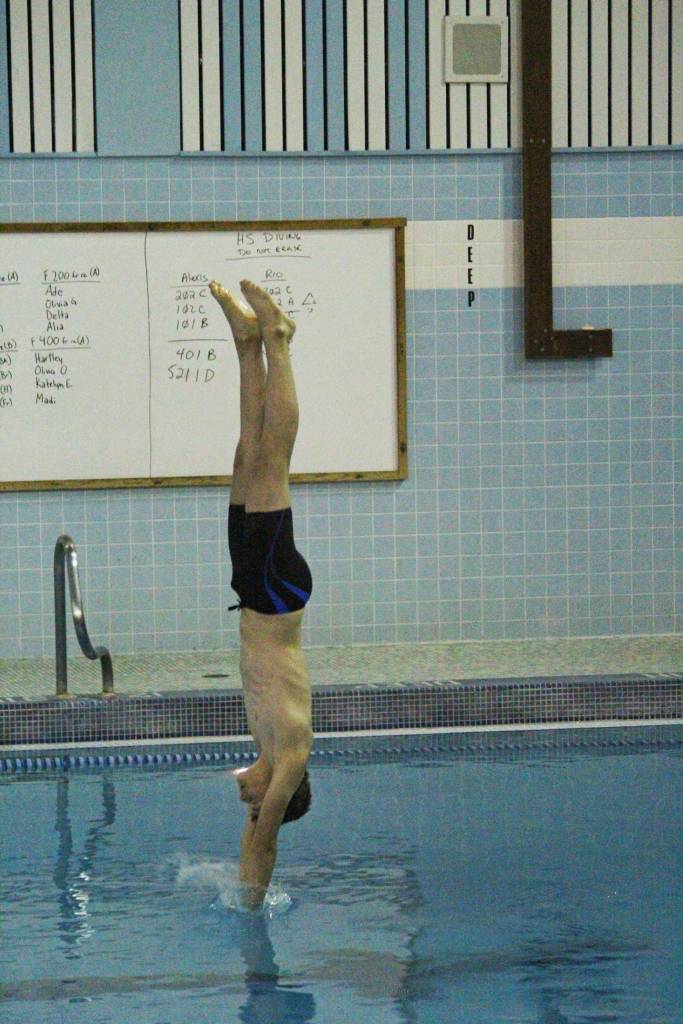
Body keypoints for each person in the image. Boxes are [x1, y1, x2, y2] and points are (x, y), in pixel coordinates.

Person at [209, 278, 313, 910]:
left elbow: (253, 832)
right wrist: (252, 907)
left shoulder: (265, 747)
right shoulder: (291, 753)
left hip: (252, 591)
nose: (243, 798)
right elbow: (265, 841)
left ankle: (247, 344)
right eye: (253, 802)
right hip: (277, 592)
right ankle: (279, 339)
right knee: (275, 460)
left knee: (246, 455)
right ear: (278, 793)